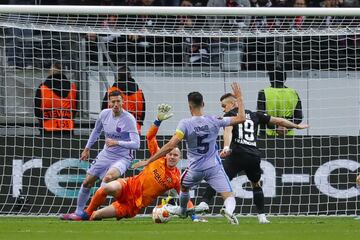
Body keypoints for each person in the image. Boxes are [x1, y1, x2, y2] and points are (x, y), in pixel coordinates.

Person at [134, 82, 246, 225]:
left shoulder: (185, 124)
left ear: (189, 107)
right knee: (229, 196)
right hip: (214, 167)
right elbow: (241, 118)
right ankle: (229, 212)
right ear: (203, 104)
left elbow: (170, 146)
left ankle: (181, 209)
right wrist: (240, 98)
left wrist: (148, 161)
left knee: (184, 187)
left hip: (195, 169)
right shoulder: (215, 120)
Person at [202, 93, 309, 224]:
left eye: (224, 106)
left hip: (236, 154)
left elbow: (228, 131)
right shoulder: (256, 115)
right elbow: (279, 121)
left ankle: (204, 203)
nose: (224, 109)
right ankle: (262, 217)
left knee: (217, 178)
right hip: (253, 156)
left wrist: (225, 147)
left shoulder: (229, 116)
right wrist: (296, 126)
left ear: (234, 104)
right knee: (256, 185)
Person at [80, 104, 191, 220]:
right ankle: (86, 213)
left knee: (97, 215)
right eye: (170, 154)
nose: (172, 157)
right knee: (106, 188)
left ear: (179, 158)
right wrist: (157, 121)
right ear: (166, 154)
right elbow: (150, 137)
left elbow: (186, 198)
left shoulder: (176, 178)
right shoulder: (158, 157)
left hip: (134, 204)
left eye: (176, 155)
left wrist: (193, 216)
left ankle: (93, 215)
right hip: (129, 186)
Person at [60, 90, 140, 220]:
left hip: (123, 157)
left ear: (123, 102)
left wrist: (117, 142)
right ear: (109, 102)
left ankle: (91, 211)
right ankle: (79, 212)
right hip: (106, 154)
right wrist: (87, 148)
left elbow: (136, 144)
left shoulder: (129, 119)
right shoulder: (104, 114)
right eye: (113, 101)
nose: (115, 104)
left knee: (108, 178)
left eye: (118, 101)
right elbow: (96, 131)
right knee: (87, 182)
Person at [257, 65, 303, 136]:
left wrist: (276, 128)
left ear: (270, 78)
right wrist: (286, 127)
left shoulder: (263, 92)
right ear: (285, 78)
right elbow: (299, 117)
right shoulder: (293, 93)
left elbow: (261, 116)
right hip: (288, 135)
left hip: (268, 135)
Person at [34, 61, 78, 137]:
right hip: (67, 131)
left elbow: (37, 111)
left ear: (50, 71)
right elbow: (75, 110)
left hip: (47, 130)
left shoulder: (43, 88)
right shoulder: (72, 88)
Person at [101, 66, 145, 133]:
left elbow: (104, 110)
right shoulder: (139, 92)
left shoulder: (111, 91)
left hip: (116, 127)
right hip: (134, 127)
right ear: (130, 76)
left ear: (118, 76)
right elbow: (142, 112)